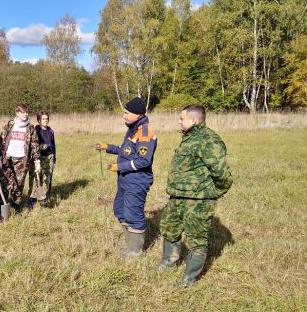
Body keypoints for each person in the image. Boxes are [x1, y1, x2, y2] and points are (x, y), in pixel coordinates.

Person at [158, 105, 232, 286]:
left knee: (196, 239)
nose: (179, 121)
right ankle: (169, 262)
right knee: (169, 228)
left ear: (193, 120)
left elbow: (222, 173)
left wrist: (214, 193)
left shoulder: (209, 140)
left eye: (182, 118)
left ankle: (189, 279)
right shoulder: (190, 137)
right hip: (177, 197)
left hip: (198, 201)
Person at [96, 96, 157, 258]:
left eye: (126, 113)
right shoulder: (133, 128)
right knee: (120, 210)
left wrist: (119, 167)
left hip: (137, 180)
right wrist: (107, 147)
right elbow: (125, 151)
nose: (123, 116)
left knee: (133, 214)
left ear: (137, 114)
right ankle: (129, 244)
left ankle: (135, 251)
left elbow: (144, 160)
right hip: (125, 179)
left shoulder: (145, 131)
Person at [0, 104, 40, 215]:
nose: (25, 114)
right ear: (17, 113)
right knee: (4, 182)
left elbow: (35, 145)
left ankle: (16, 206)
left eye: (26, 112)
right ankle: (1, 206)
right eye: (23, 112)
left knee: (19, 184)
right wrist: (0, 156)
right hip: (8, 158)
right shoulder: (10, 125)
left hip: (21, 160)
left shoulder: (30, 128)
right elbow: (1, 140)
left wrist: (37, 160)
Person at [27, 111, 56, 209]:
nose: (45, 121)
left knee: (47, 179)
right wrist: (43, 147)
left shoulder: (50, 131)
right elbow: (34, 146)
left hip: (49, 158)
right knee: (36, 180)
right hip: (38, 159)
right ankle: (32, 199)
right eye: (43, 119)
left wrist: (54, 157)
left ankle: (44, 199)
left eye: (47, 119)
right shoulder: (36, 130)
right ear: (39, 120)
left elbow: (53, 145)